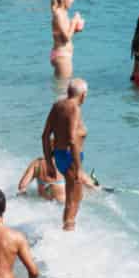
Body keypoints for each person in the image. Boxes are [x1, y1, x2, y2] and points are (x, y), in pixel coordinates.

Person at [41, 79, 89, 231]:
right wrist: (79, 169)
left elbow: (45, 135)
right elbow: (72, 139)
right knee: (73, 200)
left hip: (61, 156)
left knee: (75, 197)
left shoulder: (57, 106)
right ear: (83, 95)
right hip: (71, 158)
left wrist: (49, 162)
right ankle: (67, 233)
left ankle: (67, 229)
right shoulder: (75, 108)